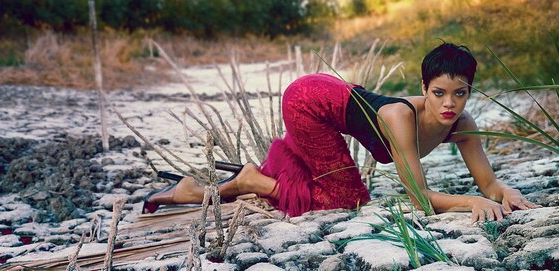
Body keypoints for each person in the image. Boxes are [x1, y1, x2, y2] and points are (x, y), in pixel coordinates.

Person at [144, 42, 539, 222]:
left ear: (470, 91)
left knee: (340, 195)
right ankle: (245, 181)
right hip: (309, 100)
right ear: (423, 89)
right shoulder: (400, 117)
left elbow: (488, 183)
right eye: (438, 93)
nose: (449, 104)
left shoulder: (463, 126)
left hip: (337, 103)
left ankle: (243, 182)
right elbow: (420, 199)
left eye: (460, 93)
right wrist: (469, 203)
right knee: (345, 198)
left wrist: (505, 193)